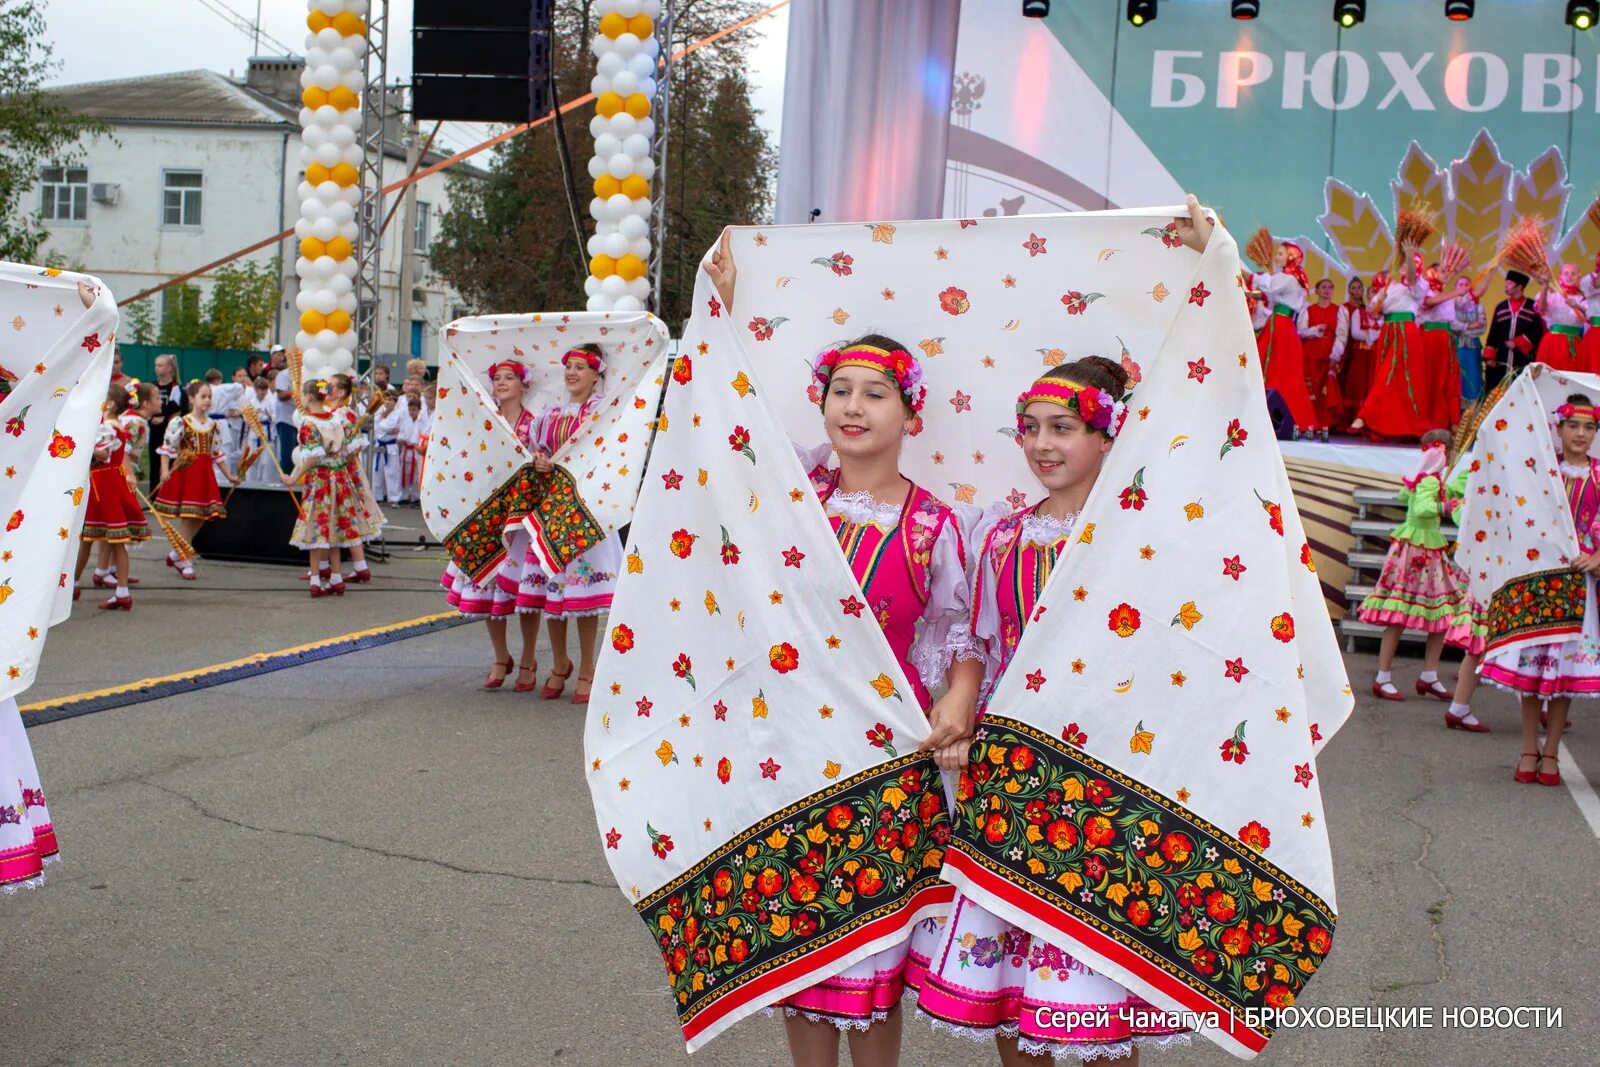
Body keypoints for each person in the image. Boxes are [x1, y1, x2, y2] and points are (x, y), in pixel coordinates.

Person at [706, 233, 985, 1066]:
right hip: (790, 748)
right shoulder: (793, 498)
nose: (852, 406)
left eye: (874, 393)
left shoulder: (937, 523)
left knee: (870, 949)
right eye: (839, 390)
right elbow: (723, 428)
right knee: (800, 939)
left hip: (883, 756)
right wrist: (718, 314)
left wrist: (958, 698)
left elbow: (961, 630)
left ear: (911, 412)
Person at [911, 358, 1190, 1064]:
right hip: (1010, 786)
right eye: (1031, 428)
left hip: (1100, 785)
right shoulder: (1001, 535)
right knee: (1014, 999)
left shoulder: (1136, 535)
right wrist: (962, 697)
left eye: (1063, 428)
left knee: (1095, 1001)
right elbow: (979, 636)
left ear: (1108, 435)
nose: (1042, 444)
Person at [1480, 390, 1600, 785]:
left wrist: (1598, 558)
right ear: (1558, 428)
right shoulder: (1540, 471)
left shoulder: (1599, 475)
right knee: (1532, 673)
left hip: (1580, 589)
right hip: (1537, 583)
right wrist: (1521, 387)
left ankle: (1551, 754)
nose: (1580, 434)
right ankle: (1529, 749)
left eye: (1588, 427)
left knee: (1563, 675)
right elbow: (1497, 436)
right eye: (1573, 426)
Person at [512, 346, 623, 704]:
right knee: (550, 592)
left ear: (596, 374)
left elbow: (607, 454)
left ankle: (588, 668)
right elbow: (536, 450)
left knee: (582, 596)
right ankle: (560, 663)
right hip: (550, 510)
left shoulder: (603, 411)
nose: (572, 373)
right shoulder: (550, 413)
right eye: (569, 367)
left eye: (580, 367)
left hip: (584, 510)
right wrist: (540, 461)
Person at [439, 360, 544, 690]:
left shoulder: (536, 423)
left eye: (509, 378)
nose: (501, 383)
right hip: (488, 515)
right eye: (497, 378)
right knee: (486, 586)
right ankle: (501, 656)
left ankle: (528, 658)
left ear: (523, 385)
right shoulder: (485, 422)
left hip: (521, 519)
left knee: (524, 594)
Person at [1356, 431, 1465, 701]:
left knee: (1441, 614)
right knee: (1400, 614)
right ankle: (1384, 676)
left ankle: (1428, 675)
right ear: (1446, 454)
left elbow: (1407, 495)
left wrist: (1452, 487)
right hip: (1418, 553)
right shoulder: (1428, 481)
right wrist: (1447, 505)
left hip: (1422, 550)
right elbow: (1421, 509)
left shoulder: (1425, 478)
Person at [283, 379, 384, 598]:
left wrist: (293, 477)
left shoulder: (309, 423)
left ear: (309, 397)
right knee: (336, 525)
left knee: (318, 526)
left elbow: (312, 457)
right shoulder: (336, 419)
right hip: (339, 478)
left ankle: (316, 579)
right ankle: (336, 578)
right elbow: (350, 449)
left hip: (320, 480)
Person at [73, 384, 153, 610]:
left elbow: (103, 453)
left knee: (90, 538)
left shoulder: (106, 426)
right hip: (111, 482)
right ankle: (120, 591)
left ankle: (75, 584)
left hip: (103, 485)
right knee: (110, 540)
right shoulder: (117, 425)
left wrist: (83, 445)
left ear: (109, 404)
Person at [151, 381, 237, 580]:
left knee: (202, 516)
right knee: (189, 517)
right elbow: (167, 448)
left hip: (204, 474)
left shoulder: (213, 425)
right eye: (203, 396)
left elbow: (216, 453)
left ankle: (176, 553)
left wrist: (229, 475)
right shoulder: (181, 422)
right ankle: (185, 558)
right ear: (191, 399)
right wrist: (164, 471)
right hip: (187, 472)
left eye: (209, 397)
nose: (207, 400)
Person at [1351, 247, 1433, 440]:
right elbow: (1373, 311)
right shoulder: (1392, 286)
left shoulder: (1418, 285)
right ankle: (1385, 424)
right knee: (1386, 376)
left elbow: (1412, 276)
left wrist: (1410, 254)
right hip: (1388, 332)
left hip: (1405, 332)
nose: (1404, 266)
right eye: (1403, 262)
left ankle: (1365, 416)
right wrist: (1382, 295)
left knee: (1394, 376)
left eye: (1408, 263)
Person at [1249, 241, 1319, 435]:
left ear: (1290, 257)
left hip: (1280, 326)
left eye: (1280, 253)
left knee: (1275, 369)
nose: (1276, 257)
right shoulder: (1291, 278)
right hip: (1281, 325)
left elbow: (1269, 287)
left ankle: (1282, 417)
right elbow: (1269, 295)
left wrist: (1243, 272)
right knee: (1278, 371)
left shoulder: (1287, 278)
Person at [326, 373, 384, 584]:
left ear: (341, 392)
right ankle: (356, 565)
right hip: (344, 469)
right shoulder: (338, 413)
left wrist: (338, 462)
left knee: (346, 514)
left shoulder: (342, 414)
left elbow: (353, 446)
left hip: (343, 472)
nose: (325, 389)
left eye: (329, 386)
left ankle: (351, 567)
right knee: (346, 515)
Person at [1298, 277, 1347, 438]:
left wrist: (1336, 354)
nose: (1327, 290)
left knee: (1325, 391)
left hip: (1328, 357)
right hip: (1310, 355)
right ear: (1317, 291)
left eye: (1330, 287)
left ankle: (1324, 425)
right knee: (1310, 390)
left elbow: (1342, 335)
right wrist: (1314, 330)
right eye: (1323, 287)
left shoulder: (1339, 310)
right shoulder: (1308, 310)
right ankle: (1309, 423)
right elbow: (1300, 331)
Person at [1482, 270, 1545, 391]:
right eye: (1506, 283)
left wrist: (1518, 342)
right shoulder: (1501, 307)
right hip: (1502, 356)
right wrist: (1489, 357)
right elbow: (1493, 334)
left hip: (1522, 357)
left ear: (1520, 286)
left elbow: (1537, 331)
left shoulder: (1532, 307)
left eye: (1510, 284)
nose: (1506, 286)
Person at [1416, 262, 1462, 431]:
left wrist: (1491, 270)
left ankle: (1452, 420)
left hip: (1446, 339)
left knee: (1450, 378)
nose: (1446, 274)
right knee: (1433, 379)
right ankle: (1431, 421)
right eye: (1442, 271)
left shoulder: (1446, 294)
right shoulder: (1425, 291)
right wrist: (1456, 292)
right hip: (1431, 339)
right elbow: (1430, 301)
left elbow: (1475, 294)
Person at [1337, 275, 1381, 431]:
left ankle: (1371, 422)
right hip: (1360, 356)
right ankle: (1354, 420)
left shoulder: (1384, 316)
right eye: (1372, 293)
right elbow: (1355, 332)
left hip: (1376, 356)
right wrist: (1372, 335)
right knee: (1357, 386)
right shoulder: (1358, 312)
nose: (1375, 296)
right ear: (1367, 296)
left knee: (1374, 387)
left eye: (1378, 292)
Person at [1534, 262, 1588, 373]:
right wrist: (1545, 285)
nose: (1569, 276)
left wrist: (1576, 306)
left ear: (1579, 276)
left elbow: (1590, 316)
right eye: (1566, 273)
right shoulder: (1553, 294)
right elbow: (1541, 309)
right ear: (1560, 276)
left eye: (1573, 273)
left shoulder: (1583, 297)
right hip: (1553, 342)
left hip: (1575, 343)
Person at [147, 353, 187, 487]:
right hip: (154, 430)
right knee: (154, 462)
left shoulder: (176, 388)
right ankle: (153, 496)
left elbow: (180, 410)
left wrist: (164, 419)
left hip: (169, 432)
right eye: (155, 365)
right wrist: (150, 418)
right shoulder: (152, 386)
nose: (156, 368)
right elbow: (144, 406)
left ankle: (168, 495)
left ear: (169, 368)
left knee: (169, 462)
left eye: (160, 365)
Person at [1450, 274, 1489, 407]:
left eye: (1466, 284)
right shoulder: (1451, 306)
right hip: (1455, 348)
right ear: (1455, 288)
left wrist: (1461, 329)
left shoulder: (1479, 307)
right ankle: (1455, 413)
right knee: (1456, 378)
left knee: (1473, 377)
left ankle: (1473, 414)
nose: (1463, 287)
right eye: (1460, 284)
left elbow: (1481, 328)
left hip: (1472, 349)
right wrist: (1470, 326)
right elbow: (1451, 325)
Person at [271, 344, 299, 473]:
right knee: (288, 455)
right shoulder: (283, 375)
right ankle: (286, 485)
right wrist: (296, 391)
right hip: (287, 420)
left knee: (301, 455)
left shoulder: (306, 374)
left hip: (301, 420)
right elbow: (281, 395)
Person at [372, 391, 405, 504]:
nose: (388, 402)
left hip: (391, 446)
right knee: (377, 472)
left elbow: (387, 426)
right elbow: (375, 427)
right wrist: (384, 417)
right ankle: (378, 497)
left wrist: (384, 426)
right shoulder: (379, 411)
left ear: (396, 402)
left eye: (391, 399)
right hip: (379, 444)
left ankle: (394, 498)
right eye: (386, 399)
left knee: (392, 473)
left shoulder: (398, 413)